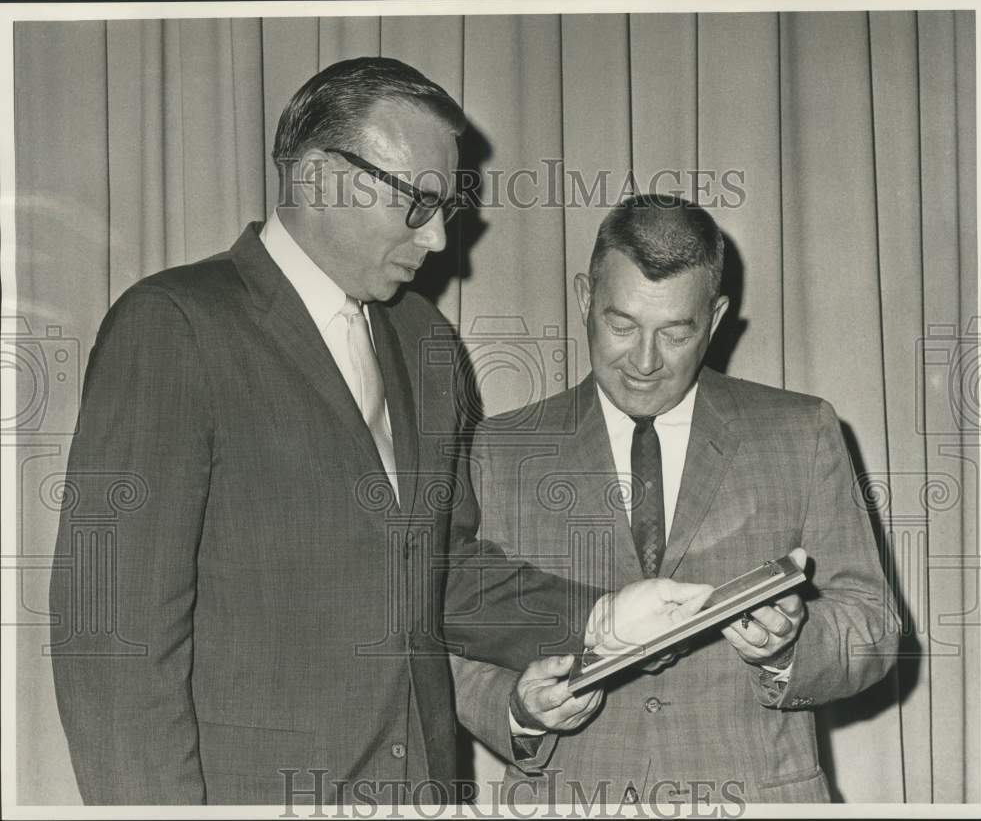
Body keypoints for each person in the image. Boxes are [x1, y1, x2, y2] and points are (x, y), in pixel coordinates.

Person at [47, 60, 710, 806]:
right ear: (319, 176)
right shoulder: (175, 327)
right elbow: (111, 642)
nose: (437, 242)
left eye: (447, 206)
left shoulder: (425, 340)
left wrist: (604, 616)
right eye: (417, 204)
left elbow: (440, 572)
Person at [452, 194, 900, 805]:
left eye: (676, 333)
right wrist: (519, 709)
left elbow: (872, 626)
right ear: (585, 298)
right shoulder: (497, 449)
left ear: (714, 320)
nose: (642, 361)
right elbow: (453, 636)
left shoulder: (801, 431)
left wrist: (792, 648)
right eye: (620, 324)